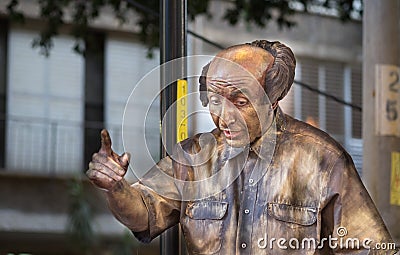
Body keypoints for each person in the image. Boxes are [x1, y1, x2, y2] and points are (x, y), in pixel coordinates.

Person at [86, 40, 398, 254]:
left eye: (239, 101)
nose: (223, 115)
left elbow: (369, 246)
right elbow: (145, 212)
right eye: (215, 99)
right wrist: (116, 188)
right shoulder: (194, 157)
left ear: (272, 100)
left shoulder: (323, 160)